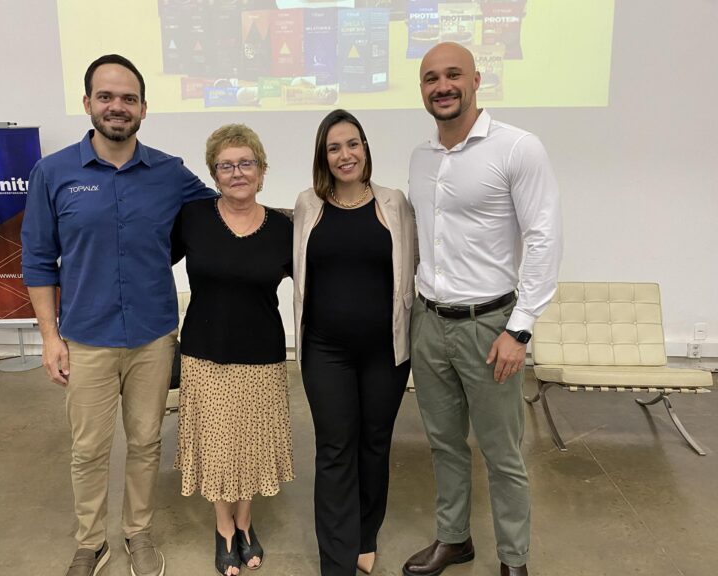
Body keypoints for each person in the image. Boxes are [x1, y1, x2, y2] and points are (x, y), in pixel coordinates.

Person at [21, 54, 217, 576]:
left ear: (144, 109)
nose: (117, 107)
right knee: (87, 450)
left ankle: (138, 533)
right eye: (106, 97)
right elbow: (38, 260)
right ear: (87, 103)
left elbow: (224, 210)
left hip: (153, 336)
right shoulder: (53, 172)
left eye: (128, 98)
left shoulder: (169, 174)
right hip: (85, 338)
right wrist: (49, 337)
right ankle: (91, 542)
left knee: (147, 442)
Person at [401, 42, 562, 576]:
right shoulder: (421, 158)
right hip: (431, 323)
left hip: (490, 326)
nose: (441, 86)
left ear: (476, 80)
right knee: (445, 445)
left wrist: (520, 330)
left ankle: (514, 560)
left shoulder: (517, 148)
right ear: (422, 89)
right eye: (430, 78)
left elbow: (543, 238)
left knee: (503, 454)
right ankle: (455, 540)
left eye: (453, 75)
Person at [293, 109, 415, 576]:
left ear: (365, 148)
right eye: (334, 147)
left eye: (353, 144)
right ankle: (337, 558)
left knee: (375, 444)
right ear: (323, 156)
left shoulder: (394, 203)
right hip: (326, 351)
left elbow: (414, 265)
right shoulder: (308, 205)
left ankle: (366, 535)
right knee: (334, 447)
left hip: (385, 351)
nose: (346, 155)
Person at [172, 124, 294, 576]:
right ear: (214, 174)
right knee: (219, 448)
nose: (237, 172)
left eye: (246, 163)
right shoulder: (193, 218)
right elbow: (149, 259)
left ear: (261, 172)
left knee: (251, 445)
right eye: (226, 165)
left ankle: (246, 521)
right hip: (206, 353)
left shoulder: (284, 228)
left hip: (262, 355)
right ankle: (224, 528)